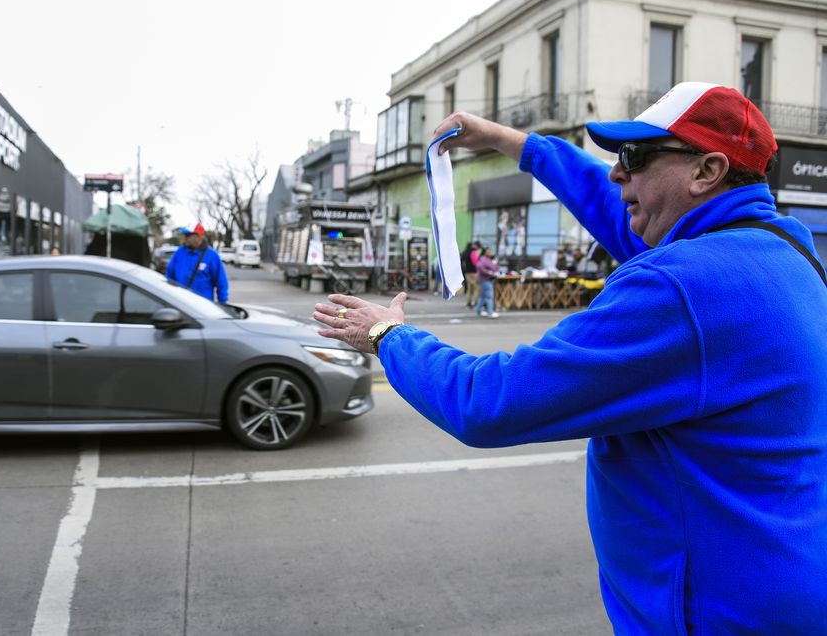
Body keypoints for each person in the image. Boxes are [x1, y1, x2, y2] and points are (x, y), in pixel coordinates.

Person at [313, 82, 827, 633]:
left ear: (706, 171)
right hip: (784, 580)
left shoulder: (682, 287)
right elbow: (616, 209)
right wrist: (508, 141)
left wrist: (390, 336)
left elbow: (491, 403)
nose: (617, 174)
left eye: (635, 157)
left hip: (711, 614)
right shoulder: (787, 252)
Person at [165, 223, 229, 303]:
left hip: (203, 306)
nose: (185, 238)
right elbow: (169, 277)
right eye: (185, 235)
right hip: (181, 303)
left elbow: (221, 282)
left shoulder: (212, 255)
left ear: (199, 236)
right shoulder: (179, 253)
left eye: (188, 235)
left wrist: (223, 302)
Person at [474, 246, 499, 318]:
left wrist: (495, 266)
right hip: (485, 280)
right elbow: (480, 267)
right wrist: (490, 273)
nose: (490, 252)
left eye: (490, 251)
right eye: (488, 251)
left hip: (487, 279)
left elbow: (494, 267)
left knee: (483, 296)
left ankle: (478, 310)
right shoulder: (483, 259)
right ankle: (490, 312)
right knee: (489, 296)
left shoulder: (489, 259)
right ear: (485, 252)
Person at [459, 241, 479, 307]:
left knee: (470, 288)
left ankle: (468, 302)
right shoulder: (473, 252)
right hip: (473, 272)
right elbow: (475, 262)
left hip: (466, 272)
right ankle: (475, 302)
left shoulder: (464, 253)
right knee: (477, 288)